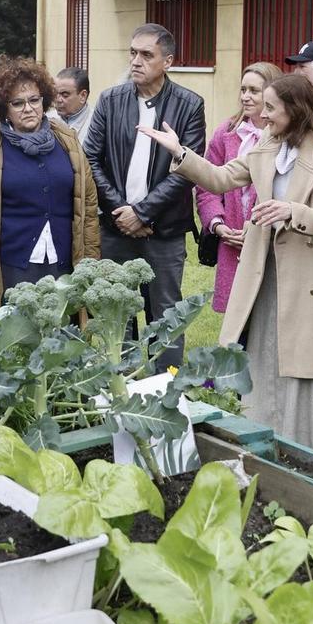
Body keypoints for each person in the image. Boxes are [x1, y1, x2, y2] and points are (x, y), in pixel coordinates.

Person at [140, 74, 313, 453]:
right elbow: (222, 178)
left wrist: (294, 211)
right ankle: (266, 440)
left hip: (308, 282)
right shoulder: (266, 145)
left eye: (270, 107)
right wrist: (180, 153)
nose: (262, 114)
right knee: (264, 356)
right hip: (264, 273)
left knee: (304, 363)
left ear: (294, 109)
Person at [84, 24, 206, 368]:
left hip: (163, 232)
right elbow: (90, 157)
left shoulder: (189, 105)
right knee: (114, 313)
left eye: (146, 55)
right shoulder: (110, 100)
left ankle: (165, 389)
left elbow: (188, 168)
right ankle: (118, 386)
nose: (136, 61)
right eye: (133, 53)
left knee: (166, 314)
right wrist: (121, 210)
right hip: (115, 229)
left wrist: (144, 213)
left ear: (167, 61)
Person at [0, 56, 100, 304]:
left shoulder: (69, 143)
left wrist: (89, 266)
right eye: (18, 103)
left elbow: (87, 207)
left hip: (64, 264)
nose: (29, 108)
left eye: (34, 100)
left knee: (63, 338)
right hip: (10, 267)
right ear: (4, 109)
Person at [196, 61, 281, 313]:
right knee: (236, 324)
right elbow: (207, 185)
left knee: (267, 316)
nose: (245, 96)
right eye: (243, 89)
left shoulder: (284, 135)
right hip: (232, 241)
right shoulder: (227, 132)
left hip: (268, 242)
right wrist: (218, 225)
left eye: (254, 91)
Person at [52, 67, 97, 147]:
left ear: (83, 96)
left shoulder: (97, 124)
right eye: (55, 94)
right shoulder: (47, 119)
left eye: (65, 95)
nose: (58, 100)